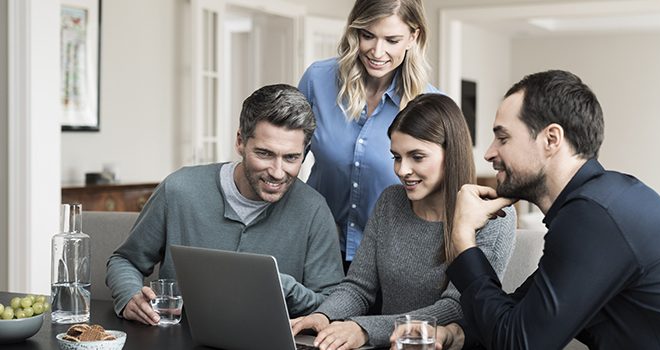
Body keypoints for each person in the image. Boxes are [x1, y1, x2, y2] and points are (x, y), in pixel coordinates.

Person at [433, 70, 660, 349]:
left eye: (503, 138)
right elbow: (523, 312)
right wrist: (455, 333)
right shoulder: (599, 203)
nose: (488, 153)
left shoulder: (594, 216)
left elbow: (517, 343)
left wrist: (463, 240)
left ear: (551, 139)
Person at [291, 94, 516, 350]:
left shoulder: (493, 216)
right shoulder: (391, 201)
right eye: (396, 157)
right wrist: (323, 316)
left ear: (450, 153)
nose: (402, 170)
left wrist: (365, 330)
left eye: (417, 157)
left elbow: (457, 307)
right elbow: (358, 287)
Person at [105, 84, 344, 325]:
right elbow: (125, 260)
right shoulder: (179, 189)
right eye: (264, 154)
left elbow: (332, 304)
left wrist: (282, 287)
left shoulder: (314, 210)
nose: (277, 172)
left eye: (291, 157)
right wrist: (129, 297)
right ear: (240, 142)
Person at [298, 0, 436, 269]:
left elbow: (439, 195)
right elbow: (287, 158)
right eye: (368, 35)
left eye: (392, 40)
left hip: (389, 258)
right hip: (316, 247)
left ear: (413, 37)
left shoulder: (430, 104)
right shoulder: (318, 79)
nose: (377, 51)